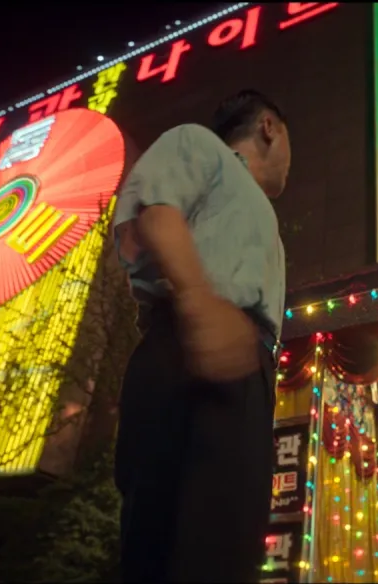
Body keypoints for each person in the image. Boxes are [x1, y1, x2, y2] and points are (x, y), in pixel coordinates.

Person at [111, 90, 289, 582]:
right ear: (269, 127)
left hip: (245, 363)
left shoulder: (258, 209)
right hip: (191, 341)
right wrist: (198, 301)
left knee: (227, 546)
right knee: (180, 544)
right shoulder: (199, 143)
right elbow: (155, 214)